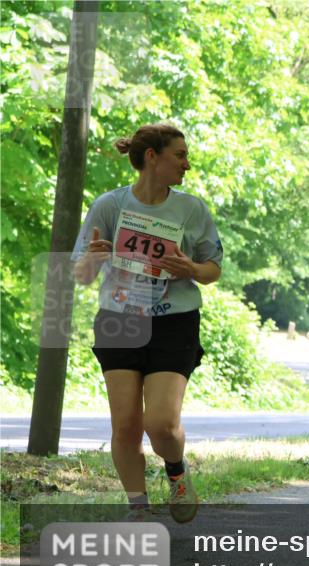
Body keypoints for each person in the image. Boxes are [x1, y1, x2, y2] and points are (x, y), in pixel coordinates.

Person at [71, 123, 223, 524]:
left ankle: (176, 472)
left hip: (174, 322)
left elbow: (212, 269)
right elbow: (81, 273)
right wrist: (93, 260)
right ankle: (138, 508)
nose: (187, 164)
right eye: (180, 155)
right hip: (120, 319)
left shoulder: (191, 209)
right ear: (152, 157)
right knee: (125, 426)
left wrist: (190, 268)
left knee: (161, 424)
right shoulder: (110, 206)